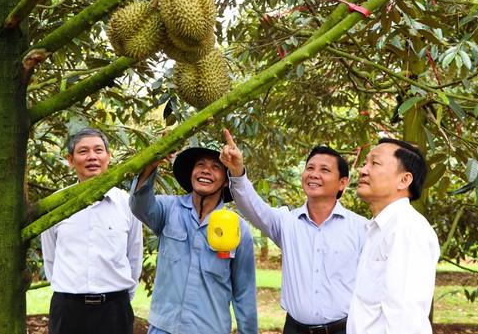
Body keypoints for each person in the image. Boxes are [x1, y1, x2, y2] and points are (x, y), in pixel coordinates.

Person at [220, 129, 368, 334]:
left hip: (344, 329)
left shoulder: (361, 228)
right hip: (294, 329)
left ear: (342, 182)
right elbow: (253, 207)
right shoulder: (287, 222)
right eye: (310, 168)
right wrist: (237, 172)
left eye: (325, 170)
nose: (314, 174)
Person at [129, 143, 258, 334]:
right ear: (191, 173)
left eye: (216, 167)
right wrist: (151, 164)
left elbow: (244, 293)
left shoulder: (239, 229)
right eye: (200, 165)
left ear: (225, 181)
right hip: (163, 328)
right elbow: (139, 205)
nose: (206, 171)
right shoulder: (168, 209)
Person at [41, 127, 143, 334]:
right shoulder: (55, 205)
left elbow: (134, 257)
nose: (92, 157)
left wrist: (119, 299)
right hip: (67, 310)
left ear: (108, 156)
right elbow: (51, 258)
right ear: (71, 160)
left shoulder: (127, 204)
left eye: (98, 150)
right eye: (83, 151)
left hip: (114, 309)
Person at [347, 138, 440, 334]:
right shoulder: (379, 228)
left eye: (375, 163)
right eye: (364, 163)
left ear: (404, 180)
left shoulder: (406, 229)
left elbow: (405, 319)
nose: (363, 170)